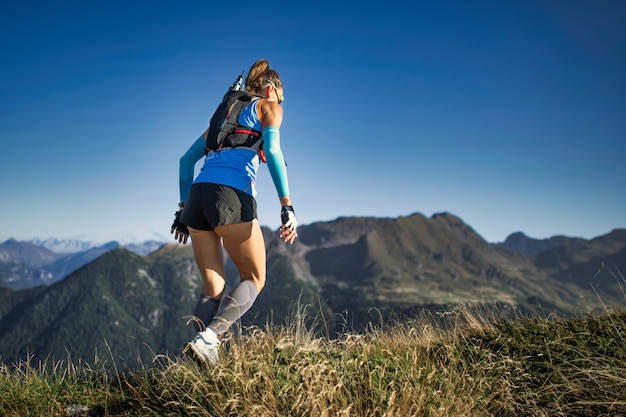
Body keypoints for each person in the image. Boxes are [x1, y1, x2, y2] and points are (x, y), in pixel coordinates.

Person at [170, 59, 298, 364]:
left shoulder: (222, 120)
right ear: (270, 89)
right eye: (279, 97)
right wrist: (287, 204)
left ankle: (190, 362)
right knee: (255, 277)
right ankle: (209, 338)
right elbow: (275, 150)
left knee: (212, 285)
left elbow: (186, 161)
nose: (280, 105)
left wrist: (182, 209)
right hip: (230, 196)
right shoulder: (269, 107)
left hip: (198, 196)